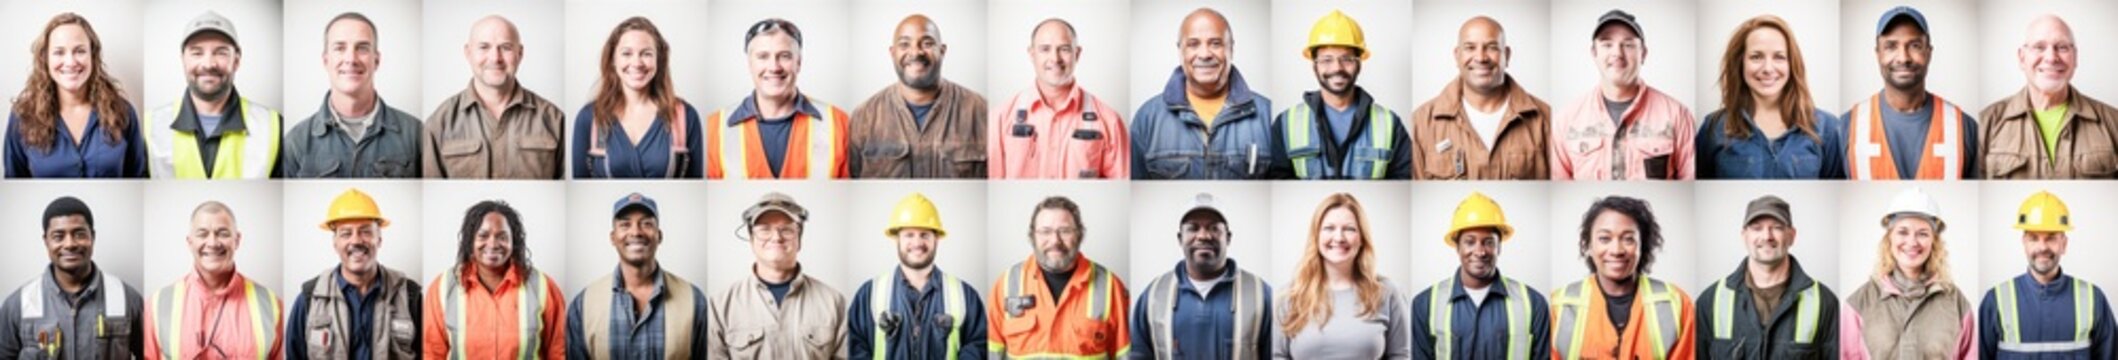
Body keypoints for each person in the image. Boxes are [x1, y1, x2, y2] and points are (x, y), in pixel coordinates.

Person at [1551, 10, 1697, 180]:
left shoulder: (1677, 115)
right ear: (1594, 53)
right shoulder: (1566, 121)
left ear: (1643, 54)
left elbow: (1690, 178)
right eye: (1607, 44)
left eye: (1628, 45)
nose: (1617, 54)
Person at [1696, 15, 1847, 179]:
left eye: (1779, 57)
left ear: (1792, 64)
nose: (1768, 68)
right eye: (1756, 57)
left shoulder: (1828, 128)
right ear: (1740, 63)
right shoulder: (1713, 127)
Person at [1131, 8, 1274, 180]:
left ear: (1231, 49)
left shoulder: (1267, 116)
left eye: (1215, 43)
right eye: (1193, 44)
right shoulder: (1147, 119)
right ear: (1180, 51)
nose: (1205, 54)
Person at [1267, 10, 1411, 180]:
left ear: (1359, 64)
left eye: (1347, 59)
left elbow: (1404, 177)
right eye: (1327, 59)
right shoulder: (1285, 124)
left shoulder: (1389, 123)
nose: (1337, 68)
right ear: (1314, 65)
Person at [566, 193, 711, 359]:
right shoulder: (583, 305)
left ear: (659, 236)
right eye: (625, 224)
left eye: (646, 224)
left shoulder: (695, 301)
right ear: (613, 238)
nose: (636, 232)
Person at [1550, 196, 1697, 360]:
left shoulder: (1678, 304)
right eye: (1604, 238)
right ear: (1588, 246)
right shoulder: (1557, 307)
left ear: (1643, 245)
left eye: (1628, 239)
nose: (1616, 250)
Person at [1693, 195, 1839, 359]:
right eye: (1757, 228)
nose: (1767, 236)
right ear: (1744, 236)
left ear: (1791, 235)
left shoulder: (1825, 302)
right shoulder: (1710, 301)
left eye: (1777, 227)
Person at [1128, 193, 1272, 359]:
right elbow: (1138, 353)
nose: (1204, 236)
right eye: (1193, 228)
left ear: (1228, 238)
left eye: (1214, 228)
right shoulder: (1154, 294)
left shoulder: (1261, 294)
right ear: (1180, 238)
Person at [1407, 16, 1552, 180]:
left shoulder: (1546, 118)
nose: (1481, 57)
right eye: (1470, 47)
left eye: (1492, 47)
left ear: (1507, 55)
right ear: (1457, 56)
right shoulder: (1421, 122)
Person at [1843, 7, 1980, 180]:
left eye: (1915, 46)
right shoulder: (1847, 127)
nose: (1903, 58)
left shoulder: (1965, 128)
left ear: (1929, 52)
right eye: (1891, 46)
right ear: (1878, 54)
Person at [1409, 192, 1550, 359]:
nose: (1480, 252)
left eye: (1489, 242)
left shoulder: (1534, 304)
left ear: (1499, 247)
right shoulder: (1424, 305)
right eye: (1470, 242)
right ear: (1457, 247)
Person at [285, 188, 424, 359]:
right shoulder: (309, 298)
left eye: (366, 231)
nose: (356, 240)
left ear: (379, 239)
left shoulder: (410, 295)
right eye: (346, 233)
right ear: (335, 243)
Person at [0, 197, 146, 358]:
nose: (69, 244)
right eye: (58, 236)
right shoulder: (18, 304)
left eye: (79, 234)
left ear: (92, 237)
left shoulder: (128, 299)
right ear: (46, 241)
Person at [423, 15, 566, 179]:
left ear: (520, 53)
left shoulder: (554, 119)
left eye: (506, 47)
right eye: (484, 47)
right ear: (468, 53)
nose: (495, 58)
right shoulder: (439, 124)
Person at [1977, 190, 2117, 358]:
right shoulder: (1996, 300)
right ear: (2024, 243)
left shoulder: (2093, 299)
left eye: (2051, 238)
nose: (2042, 247)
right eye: (2034, 238)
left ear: (2064, 244)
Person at [847, 193, 988, 359]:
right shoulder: (869, 294)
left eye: (924, 235)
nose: (917, 243)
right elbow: (855, 347)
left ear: (937, 239)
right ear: (896, 239)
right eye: (909, 235)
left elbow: (978, 345)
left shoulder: (965, 295)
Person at [706, 18, 852, 179]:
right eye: (763, 56)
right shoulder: (713, 128)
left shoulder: (839, 123)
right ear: (750, 64)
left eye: (784, 56)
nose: (774, 67)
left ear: (798, 63)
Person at [5, 13, 147, 178]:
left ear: (92, 56)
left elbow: (138, 175)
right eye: (59, 52)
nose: (71, 62)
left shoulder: (123, 112)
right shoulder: (23, 116)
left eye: (79, 51)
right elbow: (13, 179)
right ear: (45, 59)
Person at [145, 11, 284, 179]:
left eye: (221, 52)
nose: (208, 64)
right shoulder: (148, 126)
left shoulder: (273, 126)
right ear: (183, 59)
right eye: (197, 53)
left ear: (236, 60)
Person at [1977, 15, 2118, 179]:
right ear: (2022, 58)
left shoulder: (2113, 122)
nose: (2051, 57)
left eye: (2062, 47)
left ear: (2075, 57)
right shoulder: (1985, 124)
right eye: (2039, 47)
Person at [284, 12, 423, 178]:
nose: (351, 58)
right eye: (340, 48)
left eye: (362, 48)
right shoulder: (296, 141)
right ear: (326, 61)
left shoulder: (415, 134)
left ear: (376, 60)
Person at [708, 193, 848, 358]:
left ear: (799, 239)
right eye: (764, 229)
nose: (776, 237)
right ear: (752, 240)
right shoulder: (719, 306)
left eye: (786, 229)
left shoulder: (834, 302)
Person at [989, 196, 1131, 358]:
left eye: (1065, 231)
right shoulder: (1005, 285)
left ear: (1079, 235)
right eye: (1045, 231)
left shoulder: (1110, 287)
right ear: (1032, 236)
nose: (1055, 240)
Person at [1270, 193, 1409, 359]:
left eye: (1349, 229)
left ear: (1362, 238)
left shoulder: (1387, 292)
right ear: (1316, 236)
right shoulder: (1289, 296)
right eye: (1329, 228)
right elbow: (1277, 356)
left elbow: (1400, 355)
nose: (1339, 237)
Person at [848, 15, 988, 179]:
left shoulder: (980, 111)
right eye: (904, 44)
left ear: (942, 51)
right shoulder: (864, 117)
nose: (915, 52)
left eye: (927, 43)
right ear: (892, 53)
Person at [1841, 188, 1974, 359]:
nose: (1912, 242)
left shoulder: (1957, 303)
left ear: (1934, 241)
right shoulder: (1858, 303)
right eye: (1903, 232)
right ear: (1890, 238)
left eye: (1923, 234)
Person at [421, 200, 566, 358]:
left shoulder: (543, 287)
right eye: (483, 235)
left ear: (514, 241)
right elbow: (432, 352)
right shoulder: (442, 288)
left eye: (502, 237)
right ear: (470, 241)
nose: (493, 244)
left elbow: (558, 350)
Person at [989, 19, 1131, 179]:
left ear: (1077, 54)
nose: (1055, 58)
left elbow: (1119, 184)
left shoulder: (1109, 121)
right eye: (1045, 49)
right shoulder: (999, 119)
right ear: (1032, 54)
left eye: (1064, 49)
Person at [144, 201, 285, 359]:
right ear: (190, 242)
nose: (212, 243)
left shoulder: (272, 305)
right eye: (202, 234)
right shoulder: (156, 305)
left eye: (223, 233)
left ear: (237, 240)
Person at [572, 16, 705, 179]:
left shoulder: (686, 117)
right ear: (613, 60)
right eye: (626, 53)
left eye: (646, 54)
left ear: (659, 60)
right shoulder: (589, 118)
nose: (637, 62)